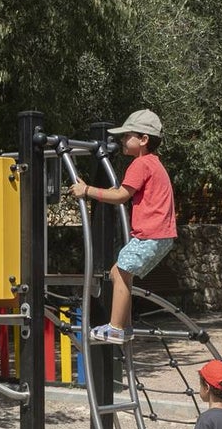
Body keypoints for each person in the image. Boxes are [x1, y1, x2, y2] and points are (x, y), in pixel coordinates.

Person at [70, 109, 177, 345]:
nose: (121, 140)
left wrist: (86, 191)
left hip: (150, 235)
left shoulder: (141, 164)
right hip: (161, 235)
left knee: (119, 272)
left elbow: (120, 195)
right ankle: (125, 327)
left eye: (126, 135)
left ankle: (117, 327)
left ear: (143, 139)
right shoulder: (155, 164)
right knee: (122, 273)